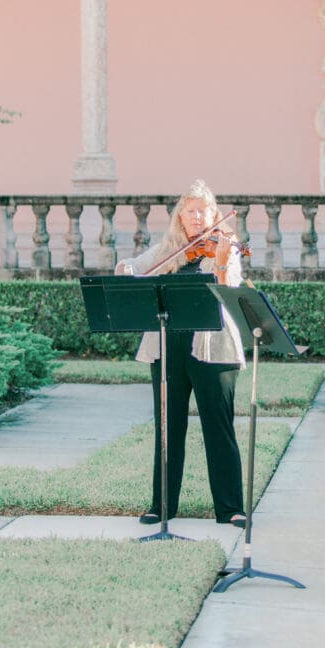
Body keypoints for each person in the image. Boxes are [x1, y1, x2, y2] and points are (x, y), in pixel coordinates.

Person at [116, 179, 246, 528]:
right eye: (190, 211)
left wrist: (221, 263)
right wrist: (129, 269)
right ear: (180, 217)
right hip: (167, 346)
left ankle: (231, 508)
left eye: (203, 211)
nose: (197, 217)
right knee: (167, 429)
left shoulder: (226, 248)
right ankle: (162, 506)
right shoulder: (167, 249)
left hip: (213, 348)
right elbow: (130, 268)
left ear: (214, 215)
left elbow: (229, 289)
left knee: (219, 428)